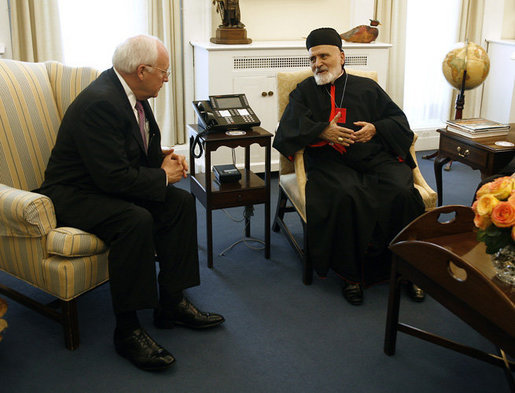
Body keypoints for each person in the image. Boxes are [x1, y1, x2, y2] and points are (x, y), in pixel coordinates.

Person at [37, 35, 224, 371]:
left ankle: (171, 302)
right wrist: (161, 176)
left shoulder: (134, 96)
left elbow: (136, 151)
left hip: (102, 184)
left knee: (179, 204)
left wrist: (164, 160)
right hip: (73, 193)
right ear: (142, 70)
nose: (166, 80)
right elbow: (111, 177)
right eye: (164, 73)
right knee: (134, 220)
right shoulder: (100, 102)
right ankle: (127, 330)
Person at [273, 27, 426, 305]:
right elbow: (287, 129)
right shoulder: (304, 92)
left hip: (373, 157)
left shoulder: (367, 87)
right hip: (331, 162)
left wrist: (376, 128)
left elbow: (399, 122)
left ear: (341, 57)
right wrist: (322, 131)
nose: (317, 63)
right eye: (312, 59)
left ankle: (408, 270)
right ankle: (351, 275)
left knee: (402, 192)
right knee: (347, 194)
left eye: (324, 56)